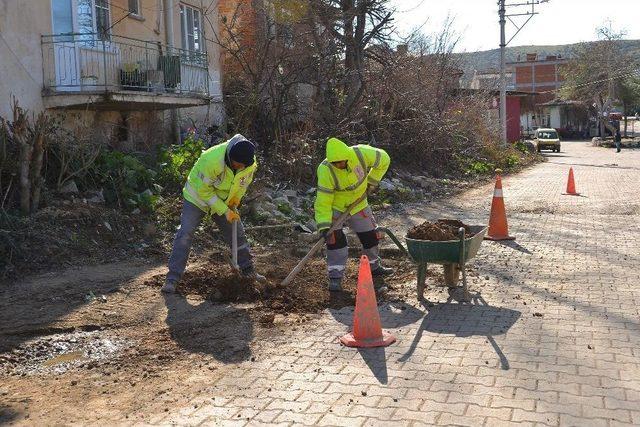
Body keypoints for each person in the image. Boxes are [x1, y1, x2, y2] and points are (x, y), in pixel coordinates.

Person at [162, 134, 265, 294]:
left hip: (224, 200)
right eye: (238, 165)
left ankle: (247, 271)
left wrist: (235, 200)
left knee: (236, 232)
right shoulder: (211, 159)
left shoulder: (249, 163)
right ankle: (172, 278)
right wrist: (224, 211)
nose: (241, 168)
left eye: (244, 166)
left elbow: (243, 183)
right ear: (230, 158)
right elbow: (204, 190)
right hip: (197, 197)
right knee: (186, 233)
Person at [314, 137, 394, 292]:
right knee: (335, 241)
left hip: (359, 203)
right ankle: (335, 277)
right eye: (335, 163)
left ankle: (373, 266)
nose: (339, 165)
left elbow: (384, 159)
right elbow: (323, 199)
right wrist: (323, 224)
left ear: (347, 157)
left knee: (370, 236)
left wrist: (372, 181)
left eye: (341, 162)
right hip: (336, 206)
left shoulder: (360, 153)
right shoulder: (325, 170)